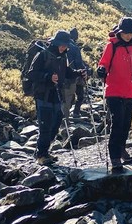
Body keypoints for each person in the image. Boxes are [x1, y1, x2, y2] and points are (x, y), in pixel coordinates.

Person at [27, 30, 87, 165]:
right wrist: (47, 77)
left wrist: (78, 73)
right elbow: (31, 74)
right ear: (55, 43)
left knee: (56, 124)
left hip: (56, 95)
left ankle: (45, 151)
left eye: (65, 45)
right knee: (45, 126)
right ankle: (41, 155)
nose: (63, 47)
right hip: (43, 95)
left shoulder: (63, 57)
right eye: (61, 45)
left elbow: (66, 73)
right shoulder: (42, 55)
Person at [96, 17, 132, 172]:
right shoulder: (112, 45)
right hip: (114, 91)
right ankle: (115, 156)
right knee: (118, 122)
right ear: (119, 32)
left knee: (126, 123)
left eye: (130, 33)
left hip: (130, 91)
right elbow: (104, 62)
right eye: (125, 33)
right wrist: (101, 69)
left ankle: (122, 150)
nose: (128, 36)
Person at [64, 28, 88, 119]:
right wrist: (84, 71)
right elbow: (79, 63)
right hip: (75, 75)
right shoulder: (75, 48)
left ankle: (64, 118)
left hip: (64, 76)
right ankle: (76, 112)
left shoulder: (63, 45)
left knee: (67, 98)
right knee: (80, 95)